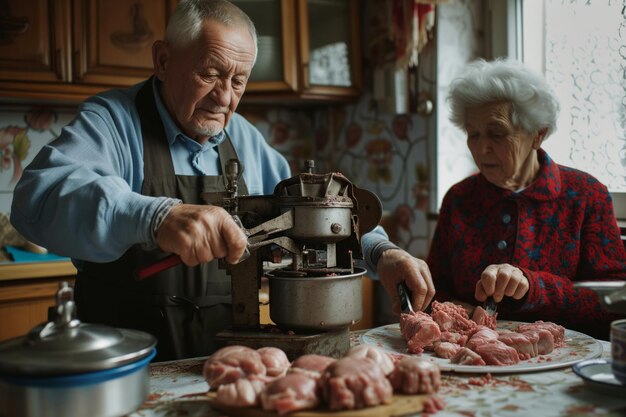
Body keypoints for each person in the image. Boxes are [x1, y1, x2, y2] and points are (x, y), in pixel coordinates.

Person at [10, 0, 434, 360]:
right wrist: (155, 216)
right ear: (162, 60)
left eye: (238, 80)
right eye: (210, 74)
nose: (224, 96)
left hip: (224, 367)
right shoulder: (113, 121)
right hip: (125, 365)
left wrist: (382, 253)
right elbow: (37, 200)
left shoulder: (245, 139)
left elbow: (316, 215)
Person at [427, 58, 626, 339]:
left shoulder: (585, 195)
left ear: (537, 135)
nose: (482, 148)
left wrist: (533, 286)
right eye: (473, 134)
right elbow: (436, 290)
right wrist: (454, 311)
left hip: (563, 360)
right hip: (473, 356)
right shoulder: (459, 199)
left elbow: (615, 301)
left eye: (497, 133)